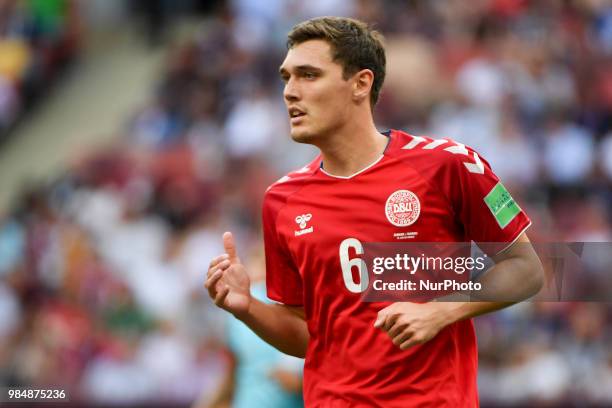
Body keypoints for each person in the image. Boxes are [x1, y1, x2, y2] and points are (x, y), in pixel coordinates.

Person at [206, 16, 544, 407]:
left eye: (308, 75)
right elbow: (308, 334)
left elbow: (528, 269)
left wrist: (439, 312)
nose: (290, 92)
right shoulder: (282, 200)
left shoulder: (448, 165)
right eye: (286, 78)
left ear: (360, 84)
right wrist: (249, 308)